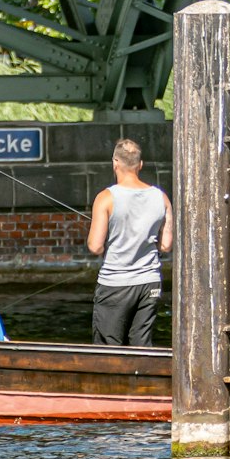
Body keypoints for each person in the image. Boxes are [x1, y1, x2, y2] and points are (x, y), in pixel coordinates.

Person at [86, 138, 172, 346]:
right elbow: (166, 245)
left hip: (114, 284)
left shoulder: (106, 198)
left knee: (108, 349)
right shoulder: (161, 198)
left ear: (115, 162)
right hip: (149, 282)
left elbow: (95, 246)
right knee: (142, 346)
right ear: (140, 165)